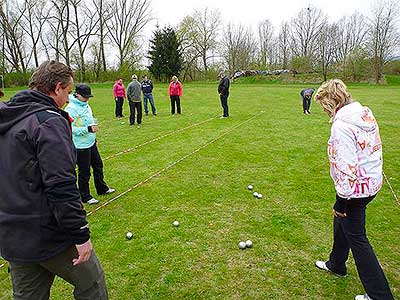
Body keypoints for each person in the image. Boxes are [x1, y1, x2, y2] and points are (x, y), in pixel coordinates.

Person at [0, 61, 108, 300]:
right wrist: (81, 234)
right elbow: (61, 185)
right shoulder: (48, 121)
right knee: (92, 283)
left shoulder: (9, 117)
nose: (67, 100)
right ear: (57, 88)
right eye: (68, 93)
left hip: (13, 235)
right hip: (47, 233)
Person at [314, 79, 394, 300]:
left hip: (355, 191)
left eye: (324, 104)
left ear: (332, 101)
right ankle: (336, 264)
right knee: (342, 223)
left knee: (358, 239)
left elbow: (347, 167)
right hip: (369, 184)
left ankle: (380, 296)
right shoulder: (364, 114)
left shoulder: (341, 126)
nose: (323, 110)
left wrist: (342, 199)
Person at [65, 84, 115, 205]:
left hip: (91, 142)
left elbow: (90, 121)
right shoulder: (71, 109)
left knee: (98, 165)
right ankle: (85, 195)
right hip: (80, 146)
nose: (87, 99)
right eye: (85, 96)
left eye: (88, 96)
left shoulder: (86, 105)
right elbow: (70, 129)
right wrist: (87, 129)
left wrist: (93, 135)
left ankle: (101, 188)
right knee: (84, 171)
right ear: (77, 94)